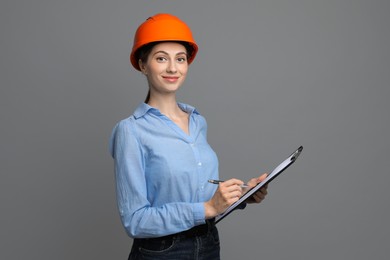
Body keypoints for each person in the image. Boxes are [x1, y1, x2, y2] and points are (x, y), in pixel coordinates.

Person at [109, 13, 268, 260]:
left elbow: (195, 192)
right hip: (161, 252)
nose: (173, 68)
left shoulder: (197, 121)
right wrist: (207, 208)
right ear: (143, 65)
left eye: (180, 59)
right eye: (161, 58)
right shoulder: (130, 131)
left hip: (208, 243)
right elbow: (135, 220)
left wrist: (242, 195)